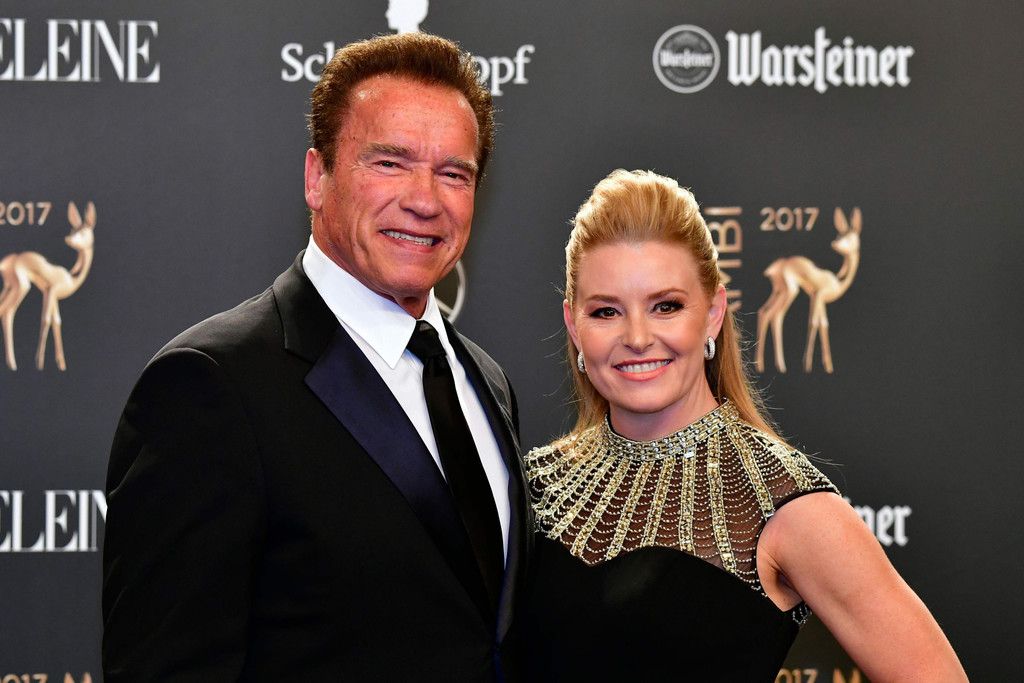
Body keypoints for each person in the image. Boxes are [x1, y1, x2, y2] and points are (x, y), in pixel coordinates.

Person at [102, 33, 529, 681]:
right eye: (390, 162)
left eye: (454, 174)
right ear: (316, 177)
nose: (425, 199)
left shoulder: (485, 381)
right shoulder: (211, 387)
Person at [521, 169, 967, 681]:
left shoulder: (784, 504)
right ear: (573, 325)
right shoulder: (535, 483)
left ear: (713, 313)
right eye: (606, 312)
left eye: (666, 306)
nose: (638, 338)